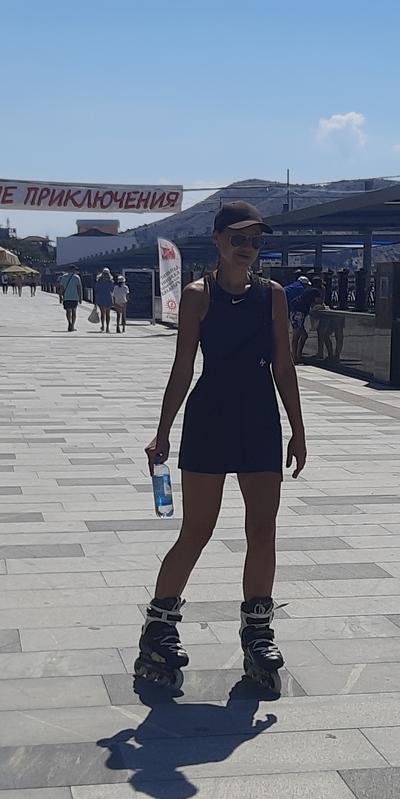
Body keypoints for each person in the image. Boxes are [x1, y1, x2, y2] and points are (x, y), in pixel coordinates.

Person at [136, 200, 307, 693]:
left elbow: (284, 366)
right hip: (209, 416)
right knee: (197, 529)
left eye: (255, 241)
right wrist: (163, 430)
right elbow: (183, 366)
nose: (247, 249)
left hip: (258, 418)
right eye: (238, 239)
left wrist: (298, 427)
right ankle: (160, 625)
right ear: (217, 241)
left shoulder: (273, 295)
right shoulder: (197, 295)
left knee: (262, 529)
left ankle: (258, 630)